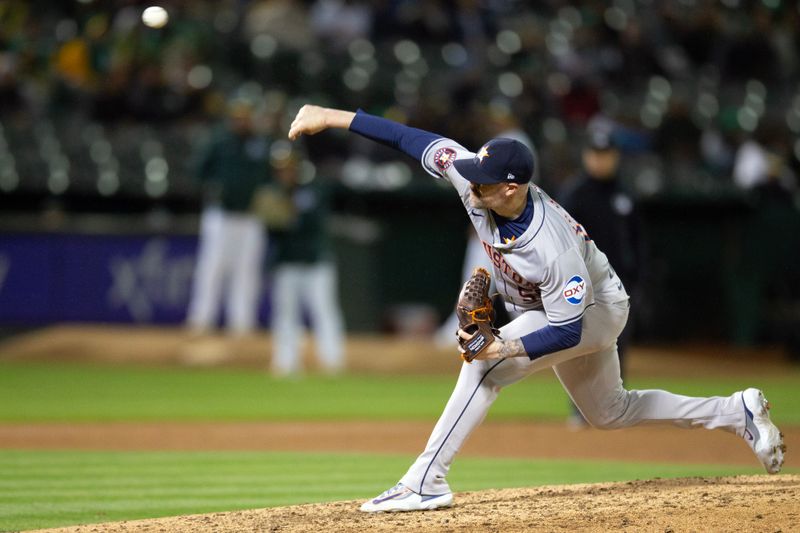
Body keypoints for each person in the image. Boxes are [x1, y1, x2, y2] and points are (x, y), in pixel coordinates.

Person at [287, 104, 786, 513]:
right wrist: (330, 117)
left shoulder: (551, 246)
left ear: (511, 188)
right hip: (555, 306)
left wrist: (503, 344)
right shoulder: (475, 181)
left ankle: (426, 480)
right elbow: (409, 138)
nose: (469, 182)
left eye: (482, 180)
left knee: (485, 369)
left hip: (595, 309)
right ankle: (734, 411)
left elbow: (567, 332)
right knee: (610, 412)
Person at [558, 126, 638, 428]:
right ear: (586, 156)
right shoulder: (574, 194)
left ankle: (617, 406)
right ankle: (580, 409)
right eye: (596, 154)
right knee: (580, 344)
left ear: (615, 157)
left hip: (621, 284)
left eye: (606, 155)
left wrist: (638, 278)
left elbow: (638, 240)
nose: (601, 160)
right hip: (583, 285)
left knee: (619, 345)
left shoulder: (625, 194)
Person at [257, 144, 345, 376]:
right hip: (286, 263)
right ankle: (286, 363)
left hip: (315, 262)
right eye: (281, 168)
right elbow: (270, 226)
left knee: (324, 311)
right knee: (285, 315)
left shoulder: (313, 190)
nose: (285, 172)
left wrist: (288, 212)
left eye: (288, 167)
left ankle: (332, 361)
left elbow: (310, 222)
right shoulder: (271, 192)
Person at [186, 98, 271, 336]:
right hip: (221, 215)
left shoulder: (260, 143)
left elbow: (269, 177)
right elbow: (198, 170)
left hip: (251, 216)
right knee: (212, 268)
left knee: (247, 271)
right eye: (238, 115)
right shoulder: (219, 140)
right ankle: (201, 320)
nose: (241, 120)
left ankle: (242, 323)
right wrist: (212, 186)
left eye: (246, 115)